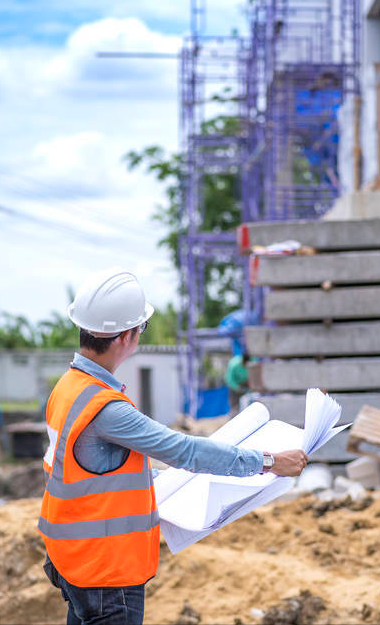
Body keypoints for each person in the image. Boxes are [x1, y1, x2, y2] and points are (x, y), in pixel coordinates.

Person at [38, 268, 308, 625]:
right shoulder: (105, 408)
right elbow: (186, 451)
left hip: (72, 560)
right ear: (126, 337)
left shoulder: (68, 388)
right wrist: (270, 461)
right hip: (106, 571)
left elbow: (87, 468)